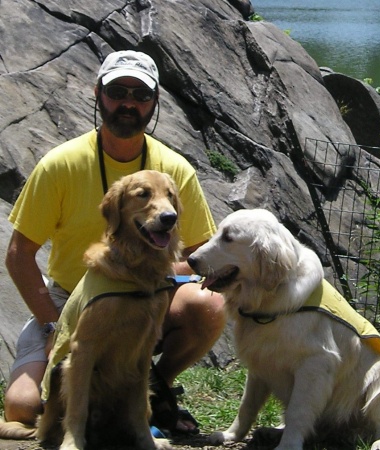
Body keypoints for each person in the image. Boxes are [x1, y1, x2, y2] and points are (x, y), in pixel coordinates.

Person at [4, 50, 226, 435]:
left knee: (208, 304)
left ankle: (153, 385)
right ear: (98, 94)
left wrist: (137, 278)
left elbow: (201, 257)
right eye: (118, 91)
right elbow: (19, 255)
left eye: (141, 95)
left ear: (154, 102)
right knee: (23, 408)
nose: (128, 102)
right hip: (68, 299)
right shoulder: (60, 164)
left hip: (148, 296)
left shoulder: (174, 170)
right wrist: (53, 324)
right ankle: (92, 397)